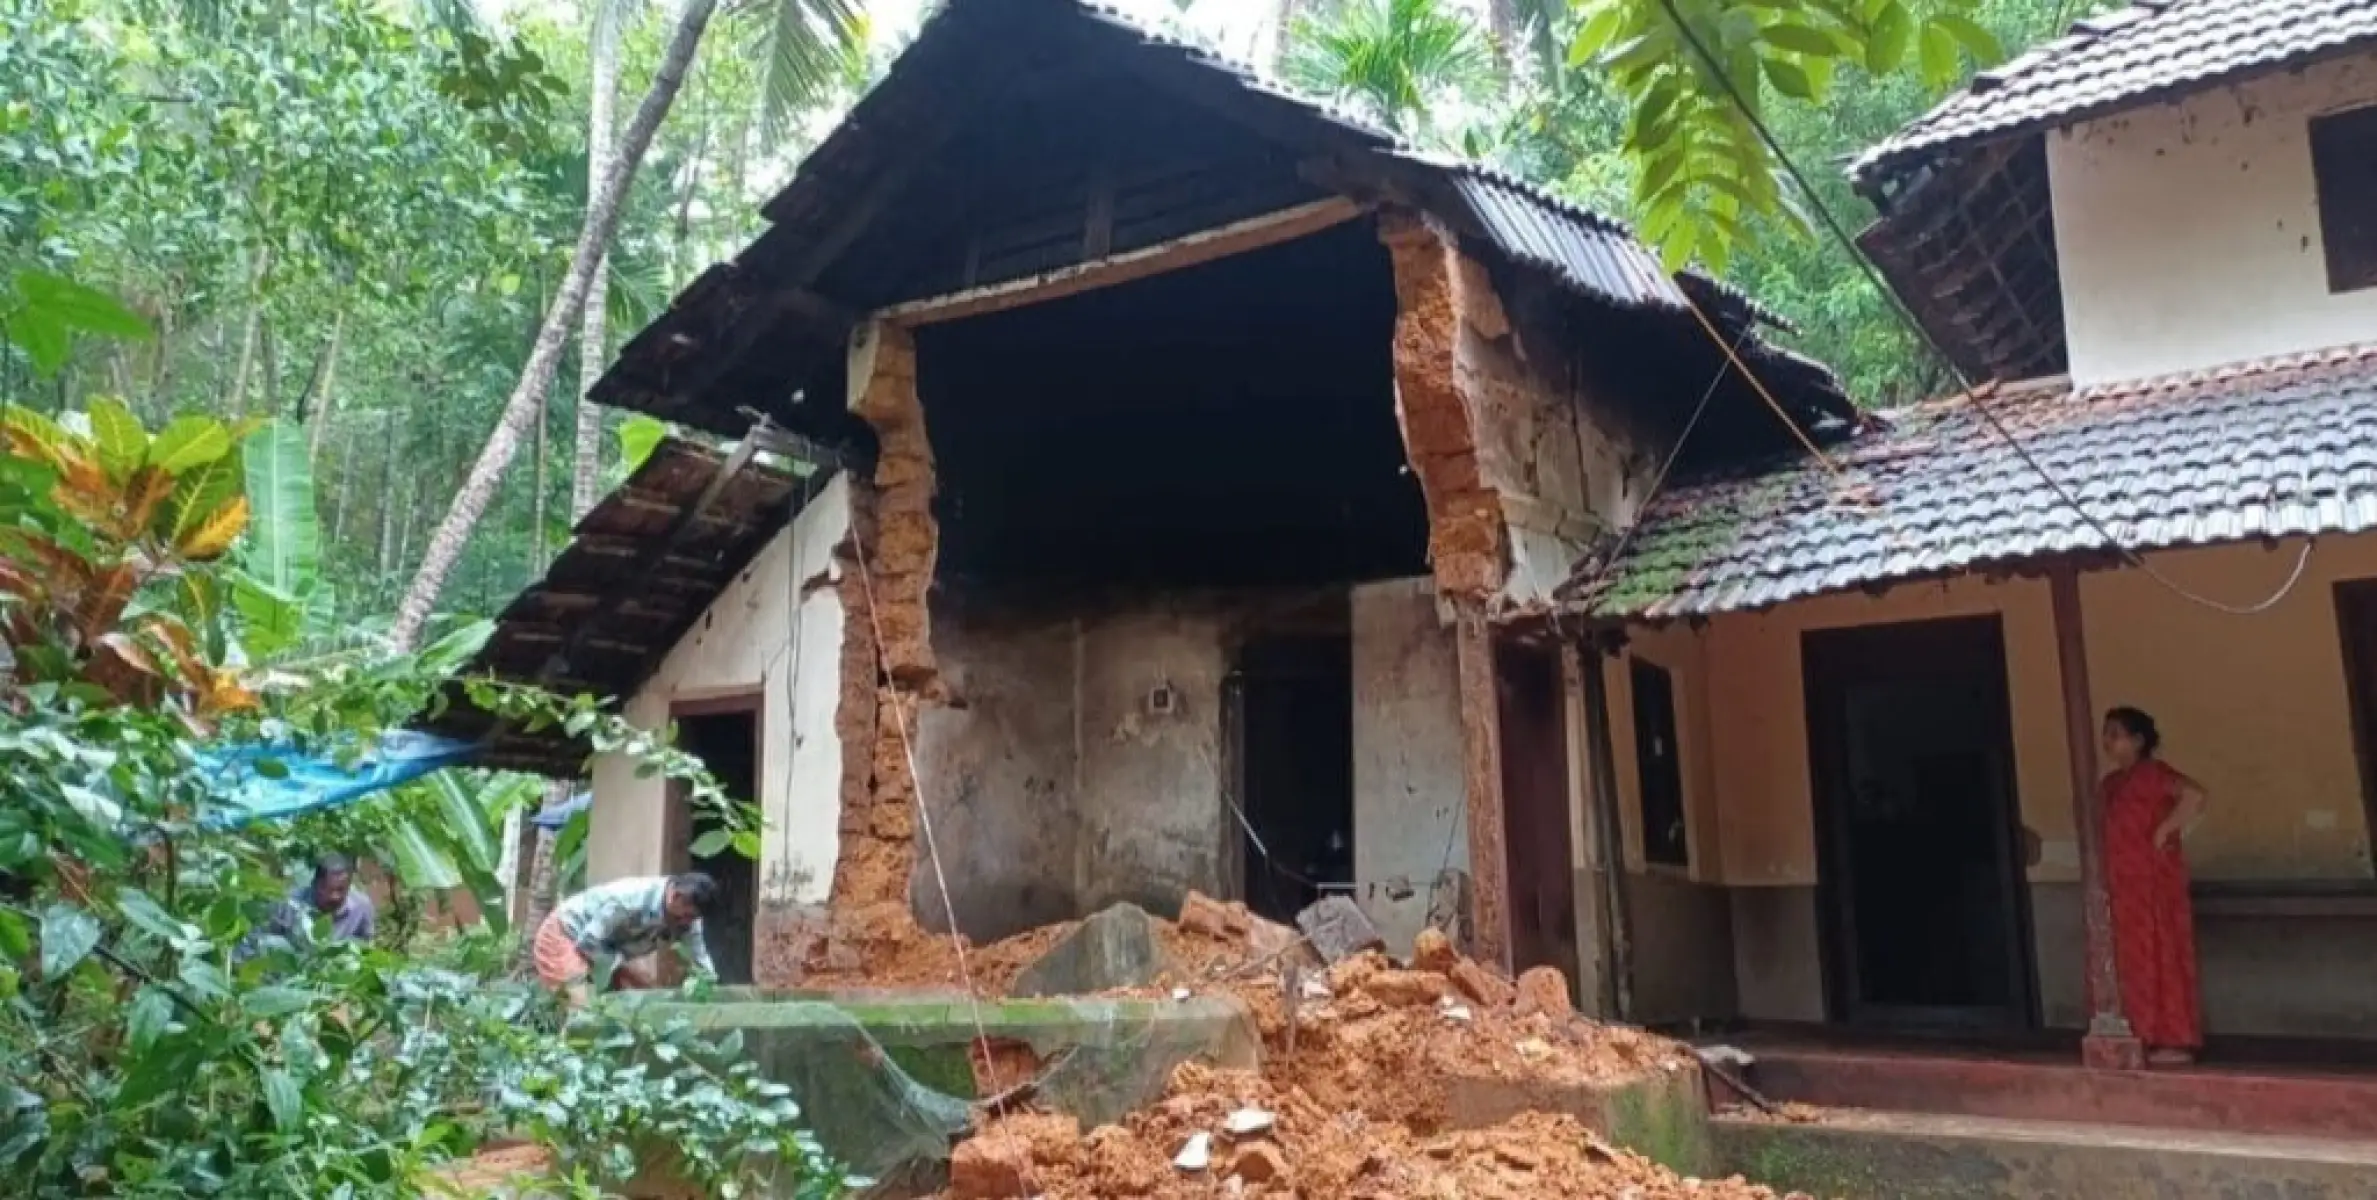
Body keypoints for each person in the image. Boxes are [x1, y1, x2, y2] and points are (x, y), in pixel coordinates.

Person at [2099, 706, 2210, 1066]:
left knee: (2162, 952)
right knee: (2127, 959)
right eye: (2106, 734)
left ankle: (2174, 1037)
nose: (2108, 741)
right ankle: (2138, 1033)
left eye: (2116, 734)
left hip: (2153, 881)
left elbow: (2194, 795)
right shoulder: (2111, 784)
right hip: (2121, 884)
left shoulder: (2154, 774)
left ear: (2138, 740)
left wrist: (2165, 830)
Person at [535, 872, 719, 1006]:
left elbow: (700, 958)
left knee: (646, 999)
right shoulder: (628, 901)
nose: (686, 923)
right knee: (580, 1006)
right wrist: (616, 965)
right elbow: (587, 943)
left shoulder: (689, 921)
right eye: (684, 916)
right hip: (566, 933)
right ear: (675, 896)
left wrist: (712, 988)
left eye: (693, 918)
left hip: (607, 950)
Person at [262, 853, 376, 948]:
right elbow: (264, 940)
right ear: (315, 884)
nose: (334, 896)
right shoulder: (290, 903)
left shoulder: (361, 907)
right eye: (327, 889)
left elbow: (366, 946)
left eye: (341, 890)